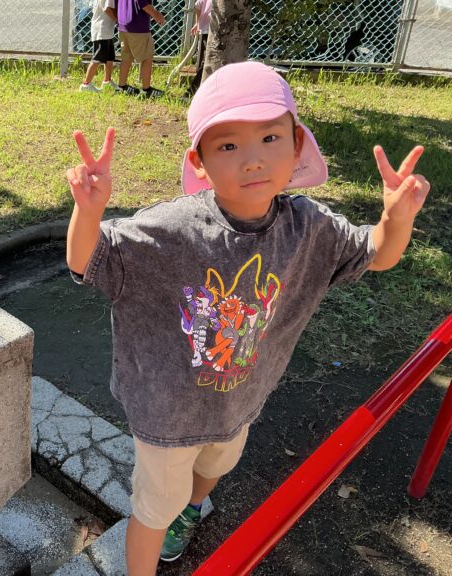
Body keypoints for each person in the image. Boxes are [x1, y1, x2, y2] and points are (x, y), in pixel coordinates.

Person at [65, 61, 430, 576]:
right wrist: (89, 211)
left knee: (217, 463)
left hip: (239, 396)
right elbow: (88, 261)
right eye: (229, 145)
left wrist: (396, 218)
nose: (253, 159)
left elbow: (378, 253)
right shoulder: (172, 229)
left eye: (270, 138)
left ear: (297, 145)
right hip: (168, 412)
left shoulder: (309, 228)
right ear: (200, 161)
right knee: (153, 509)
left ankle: (193, 509)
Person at [116, 0, 166, 97]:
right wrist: (156, 15)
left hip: (123, 24)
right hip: (137, 26)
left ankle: (122, 86)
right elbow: (141, 2)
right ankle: (146, 89)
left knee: (126, 57)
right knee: (147, 56)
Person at [80, 0, 120, 93]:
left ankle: (107, 81)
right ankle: (86, 84)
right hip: (102, 29)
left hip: (106, 29)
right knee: (98, 57)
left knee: (110, 57)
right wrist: (118, 20)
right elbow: (107, 9)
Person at [189, 0, 212, 89]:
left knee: (206, 59)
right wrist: (197, 23)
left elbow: (198, 5)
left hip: (206, 29)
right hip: (210, 30)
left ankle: (196, 87)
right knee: (207, 60)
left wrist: (198, 23)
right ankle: (194, 87)